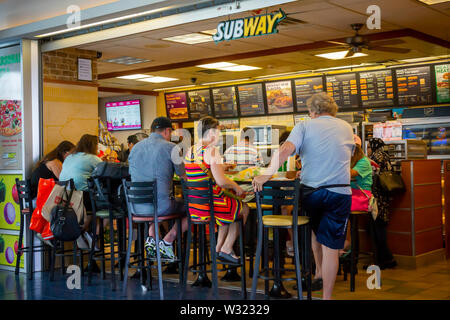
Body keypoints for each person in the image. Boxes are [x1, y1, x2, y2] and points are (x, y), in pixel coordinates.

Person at [252, 92, 354, 300]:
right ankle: (327, 297)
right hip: (340, 192)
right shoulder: (346, 127)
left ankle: (316, 272)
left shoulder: (304, 126)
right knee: (331, 248)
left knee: (315, 232)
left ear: (312, 111)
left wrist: (265, 174)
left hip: (313, 193)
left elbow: (286, 149)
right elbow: (340, 157)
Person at [185, 116, 249, 264]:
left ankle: (218, 250)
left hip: (196, 206)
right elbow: (221, 181)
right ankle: (226, 248)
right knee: (243, 208)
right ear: (211, 132)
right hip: (211, 205)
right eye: (218, 131)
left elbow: (202, 172)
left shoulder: (190, 151)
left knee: (230, 208)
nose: (219, 135)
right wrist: (236, 186)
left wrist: (221, 167)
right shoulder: (212, 150)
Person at [128, 117, 188, 260]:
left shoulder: (135, 148)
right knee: (193, 208)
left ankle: (152, 238)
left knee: (157, 204)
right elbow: (183, 176)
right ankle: (168, 240)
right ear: (167, 131)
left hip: (136, 207)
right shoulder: (171, 148)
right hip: (160, 207)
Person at [367, 138, 397, 269]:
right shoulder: (384, 155)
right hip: (384, 198)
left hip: (377, 198)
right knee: (380, 227)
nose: (367, 149)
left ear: (373, 147)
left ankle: (384, 260)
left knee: (377, 228)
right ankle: (386, 259)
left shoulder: (376, 156)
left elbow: (370, 175)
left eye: (368, 146)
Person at [59, 134, 103, 212]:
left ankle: (88, 222)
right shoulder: (93, 158)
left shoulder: (69, 157)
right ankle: (95, 224)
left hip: (64, 195)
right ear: (93, 146)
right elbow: (104, 174)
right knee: (108, 201)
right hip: (82, 197)